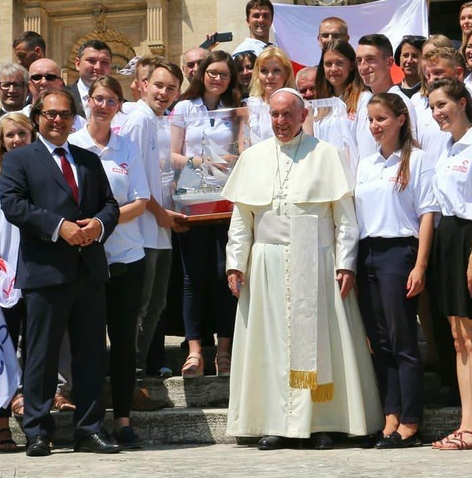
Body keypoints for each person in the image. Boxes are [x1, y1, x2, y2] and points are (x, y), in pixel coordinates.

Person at [223, 87, 383, 451]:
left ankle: (321, 422)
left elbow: (344, 219)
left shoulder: (327, 155)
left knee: (317, 345)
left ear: (302, 116)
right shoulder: (253, 157)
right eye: (275, 115)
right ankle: (275, 422)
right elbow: (241, 219)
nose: (281, 121)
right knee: (273, 344)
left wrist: (346, 263)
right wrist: (236, 262)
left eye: (287, 114)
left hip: (316, 256)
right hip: (266, 261)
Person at [0, 90, 120, 457]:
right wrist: (59, 226)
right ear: (37, 117)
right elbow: (13, 205)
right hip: (45, 271)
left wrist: (98, 225)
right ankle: (37, 430)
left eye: (65, 114)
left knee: (89, 356)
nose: (58, 120)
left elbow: (110, 204)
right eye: (51, 114)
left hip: (88, 269)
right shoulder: (20, 159)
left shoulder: (87, 159)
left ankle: (89, 429)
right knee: (41, 356)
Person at [69, 76, 150, 449]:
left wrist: (103, 222)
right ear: (88, 101)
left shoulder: (127, 147)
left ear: (120, 105)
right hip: (84, 258)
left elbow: (140, 200)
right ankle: (89, 421)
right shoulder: (72, 145)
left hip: (126, 256)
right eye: (97, 98)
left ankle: (122, 419)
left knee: (122, 342)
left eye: (111, 100)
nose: (103, 105)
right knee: (87, 343)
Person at [355, 93, 438, 449]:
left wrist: (420, 265)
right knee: (380, 342)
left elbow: (428, 214)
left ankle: (410, 420)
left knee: (403, 339)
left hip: (399, 252)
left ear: (400, 120)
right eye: (371, 120)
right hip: (368, 252)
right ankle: (390, 415)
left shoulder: (417, 161)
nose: (375, 126)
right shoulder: (366, 163)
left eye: (382, 119)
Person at [427, 78, 472, 450]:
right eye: (432, 108)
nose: (437, 113)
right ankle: (465, 422)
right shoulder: (448, 146)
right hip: (448, 237)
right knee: (458, 338)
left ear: (461, 102)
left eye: (442, 105)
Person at [119, 60, 187, 401]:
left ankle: (137, 374)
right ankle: (128, 381)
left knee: (156, 305)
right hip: (141, 230)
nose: (163, 93)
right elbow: (131, 175)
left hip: (159, 229)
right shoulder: (138, 119)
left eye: (171, 88)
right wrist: (159, 212)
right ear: (144, 85)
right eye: (158, 85)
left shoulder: (157, 122)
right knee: (141, 307)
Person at [170, 50, 240, 378]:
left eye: (224, 74)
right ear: (201, 74)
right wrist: (201, 163)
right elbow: (173, 154)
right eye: (212, 72)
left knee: (225, 274)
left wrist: (228, 161)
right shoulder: (184, 107)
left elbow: (243, 149)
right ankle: (195, 350)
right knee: (192, 277)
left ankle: (224, 352)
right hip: (193, 198)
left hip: (227, 200)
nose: (217, 78)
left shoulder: (237, 110)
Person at [0, 112, 36, 452]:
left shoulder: (41, 171)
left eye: (21, 134)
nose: (16, 140)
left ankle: (34, 422)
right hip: (5, 276)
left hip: (38, 274)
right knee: (1, 352)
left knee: (34, 351)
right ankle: (2, 427)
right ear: (0, 141)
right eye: (9, 135)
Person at [414, 47, 472, 165]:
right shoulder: (424, 116)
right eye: (428, 76)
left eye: (438, 73)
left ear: (459, 73)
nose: (432, 80)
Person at [354, 34, 418, 162]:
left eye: (370, 59)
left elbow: (410, 151)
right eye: (359, 60)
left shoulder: (402, 103)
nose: (363, 67)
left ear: (389, 63)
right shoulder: (364, 103)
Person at [313, 39, 370, 176]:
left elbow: (367, 149)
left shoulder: (364, 99)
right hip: (326, 183)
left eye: (339, 63)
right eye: (328, 64)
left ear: (351, 66)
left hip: (353, 183)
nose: (333, 69)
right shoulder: (320, 106)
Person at [243, 47, 295, 146]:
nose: (270, 76)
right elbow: (244, 145)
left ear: (286, 74)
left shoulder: (299, 104)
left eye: (276, 70)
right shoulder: (248, 105)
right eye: (264, 71)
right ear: (257, 74)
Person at [68, 40, 114, 119]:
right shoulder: (61, 97)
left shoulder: (121, 105)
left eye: (104, 62)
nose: (98, 67)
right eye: (91, 61)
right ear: (77, 64)